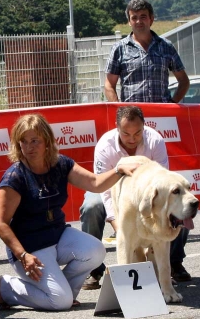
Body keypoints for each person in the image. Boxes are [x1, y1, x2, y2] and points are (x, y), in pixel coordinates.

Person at [0, 114, 139, 311]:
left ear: (47, 141)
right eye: (23, 142)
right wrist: (23, 255)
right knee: (59, 302)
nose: (29, 148)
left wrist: (119, 170)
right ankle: (7, 287)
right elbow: (0, 223)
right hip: (30, 249)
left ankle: (64, 291)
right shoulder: (15, 177)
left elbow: (94, 183)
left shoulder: (60, 164)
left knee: (96, 251)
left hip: (57, 237)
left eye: (35, 141)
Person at [80, 105, 192, 291]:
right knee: (92, 205)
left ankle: (174, 262)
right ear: (117, 128)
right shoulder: (104, 146)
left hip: (145, 194)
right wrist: (117, 222)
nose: (132, 139)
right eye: (126, 134)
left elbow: (164, 184)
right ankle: (94, 270)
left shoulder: (155, 140)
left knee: (180, 205)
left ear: (144, 127)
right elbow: (104, 190)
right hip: (111, 189)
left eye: (137, 133)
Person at [103, 0, 190, 104]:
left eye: (143, 17)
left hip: (162, 116)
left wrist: (172, 103)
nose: (138, 21)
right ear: (129, 22)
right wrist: (119, 109)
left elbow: (184, 81)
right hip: (133, 117)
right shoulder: (119, 48)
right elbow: (109, 85)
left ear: (151, 19)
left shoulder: (166, 46)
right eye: (134, 18)